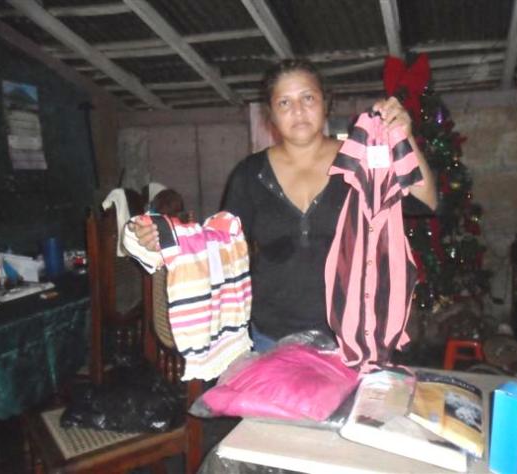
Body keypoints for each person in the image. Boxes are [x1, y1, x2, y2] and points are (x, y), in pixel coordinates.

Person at [130, 58, 436, 352]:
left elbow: (427, 202)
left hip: (352, 338)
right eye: (284, 103)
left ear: (325, 102)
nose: (298, 111)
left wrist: (404, 137)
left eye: (308, 98)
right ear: (271, 115)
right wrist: (168, 237)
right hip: (271, 336)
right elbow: (219, 245)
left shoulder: (362, 161)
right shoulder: (250, 174)